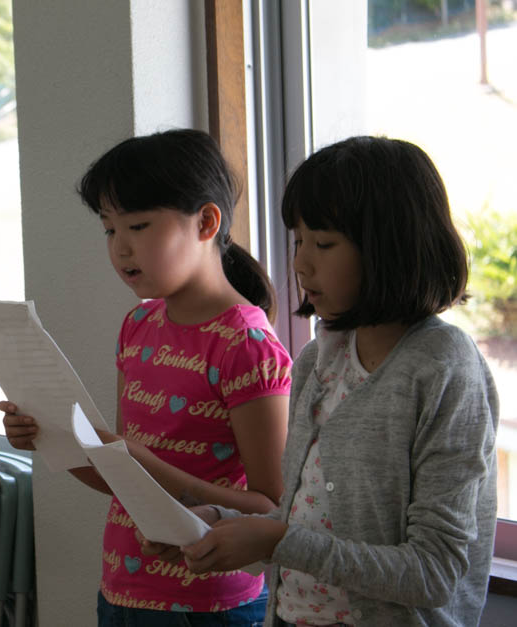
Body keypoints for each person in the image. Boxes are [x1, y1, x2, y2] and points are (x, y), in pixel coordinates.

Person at [165, 136, 499, 626]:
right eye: (299, 241)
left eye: (323, 243)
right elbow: (302, 522)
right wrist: (219, 525)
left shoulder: (444, 367)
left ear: (391, 246)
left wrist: (277, 541)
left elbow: (434, 573)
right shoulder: (317, 360)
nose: (301, 264)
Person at [2, 129, 292, 625]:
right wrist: (48, 437)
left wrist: (141, 461)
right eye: (110, 230)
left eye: (137, 226)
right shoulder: (138, 325)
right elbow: (123, 479)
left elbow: (270, 509)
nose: (120, 248)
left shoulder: (246, 344)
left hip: (210, 603)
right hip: (122, 590)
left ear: (205, 222)